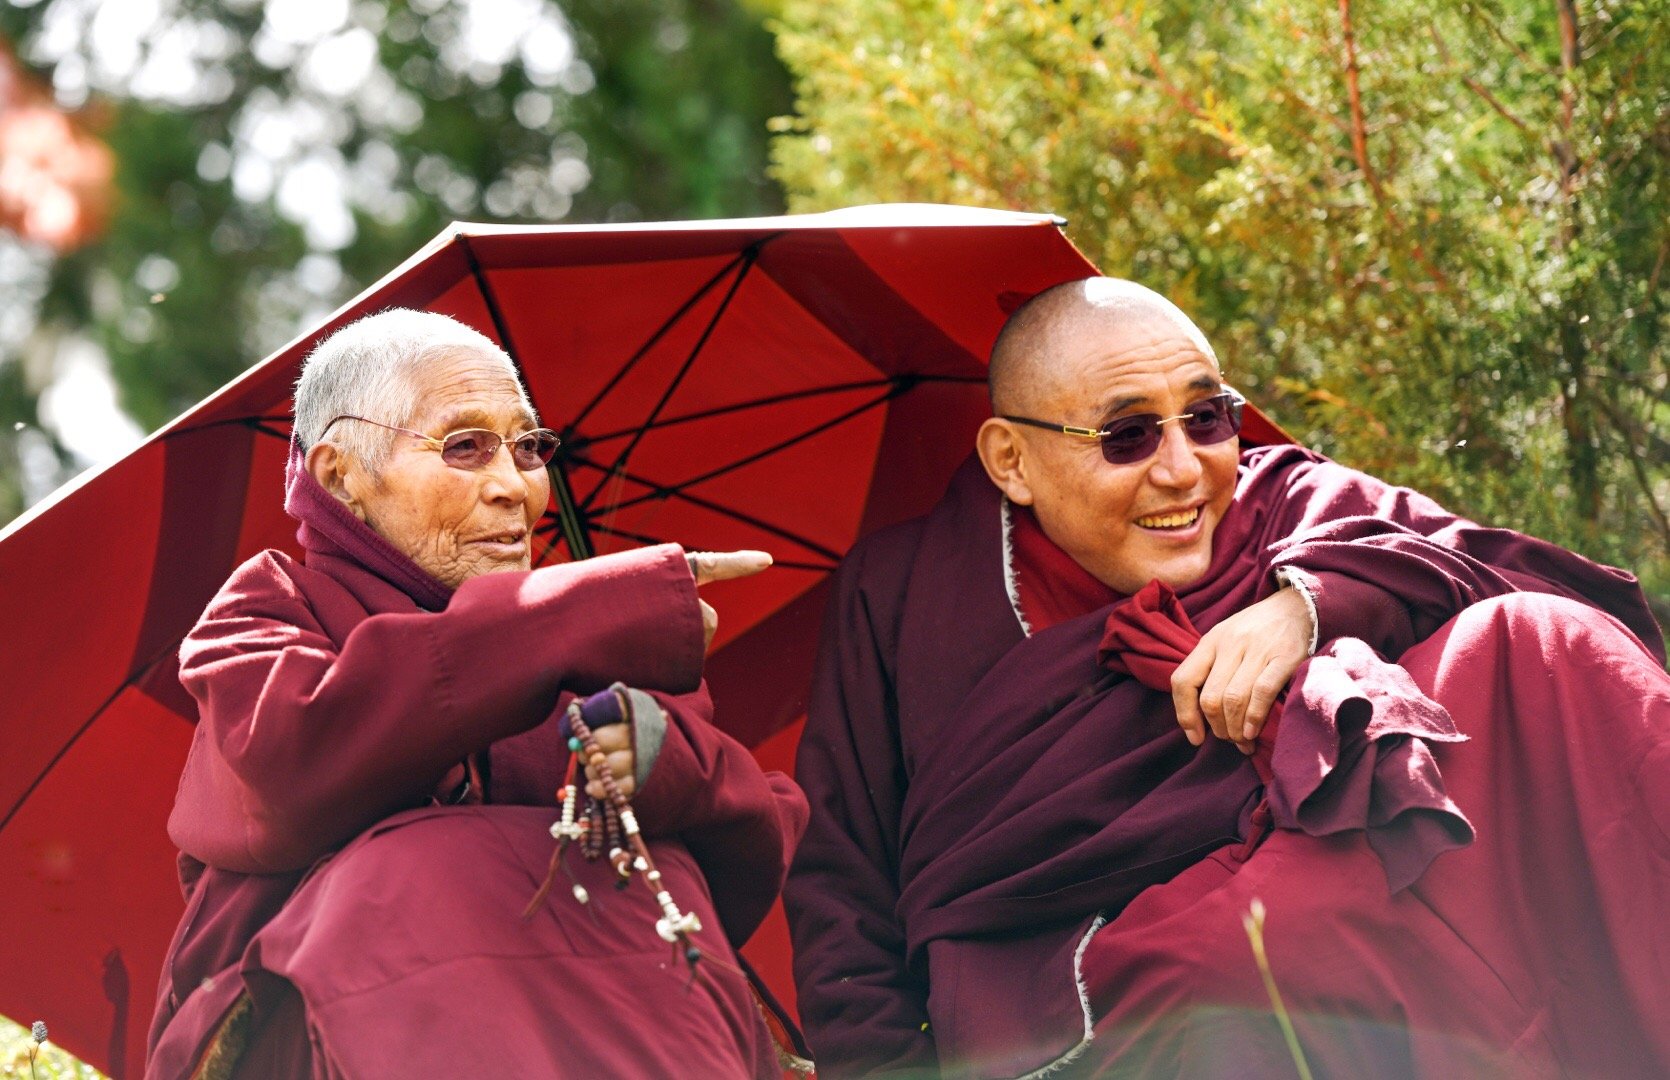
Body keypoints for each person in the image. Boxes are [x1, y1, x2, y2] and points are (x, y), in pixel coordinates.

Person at [784, 277, 1670, 1078]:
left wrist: (1313, 604)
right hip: (1078, 989)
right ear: (1012, 461)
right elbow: (844, 883)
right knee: (1232, 965)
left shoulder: (1290, 503)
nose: (1185, 471)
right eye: (1127, 436)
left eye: (1207, 418)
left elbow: (1559, 595)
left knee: (1533, 636)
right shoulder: (907, 593)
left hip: (1335, 890)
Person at [144, 309, 808, 1079]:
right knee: (415, 872)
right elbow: (293, 766)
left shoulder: (588, 635)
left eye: (528, 448)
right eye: (465, 447)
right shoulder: (266, 609)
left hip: (595, 1032)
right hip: (309, 1043)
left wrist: (659, 759)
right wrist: (572, 616)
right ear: (341, 477)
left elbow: (748, 847)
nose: (515, 488)